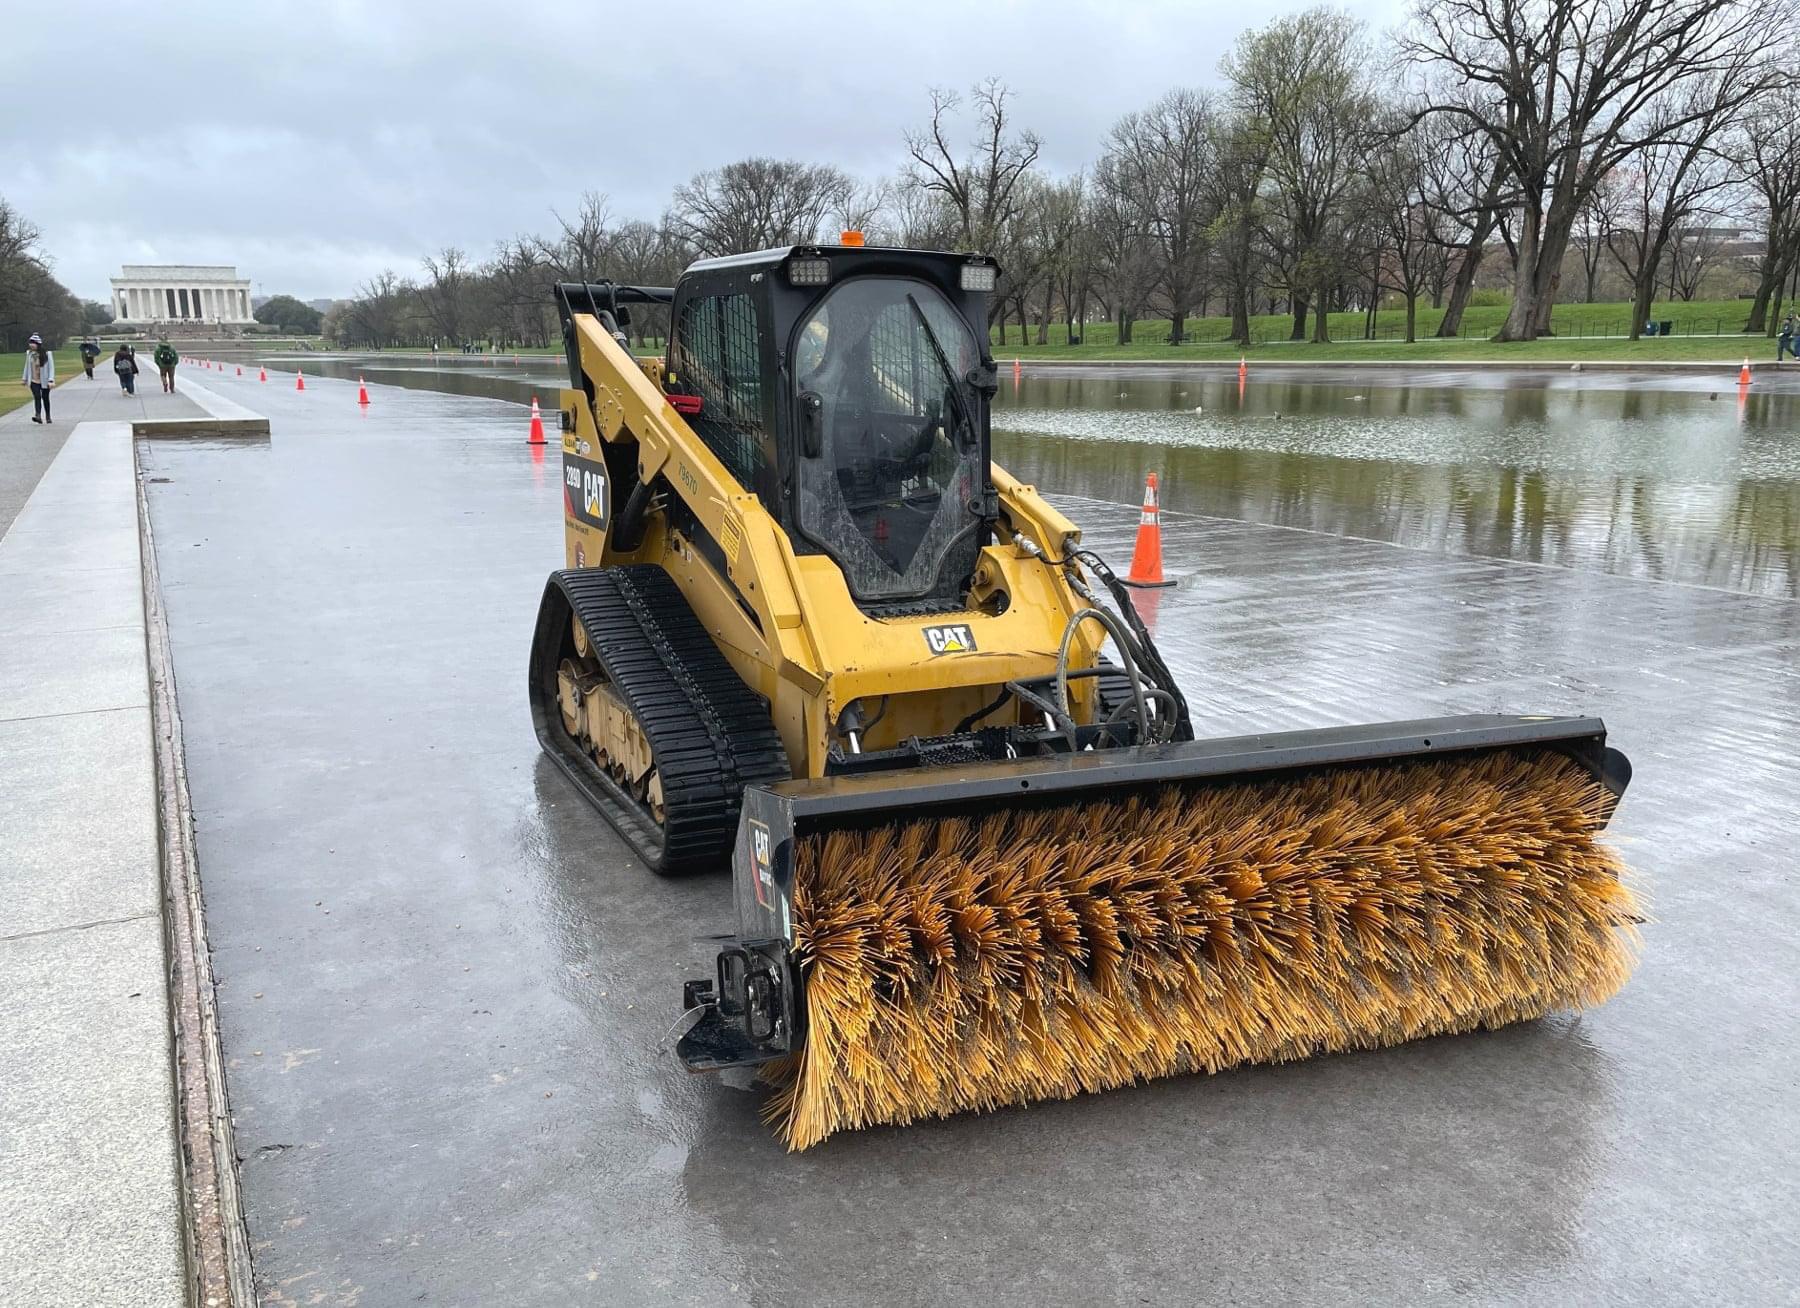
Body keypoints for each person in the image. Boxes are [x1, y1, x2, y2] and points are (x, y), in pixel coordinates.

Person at [20, 333, 54, 423]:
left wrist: (51, 380)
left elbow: (51, 368)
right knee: (37, 396)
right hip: (34, 380)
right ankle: (38, 415)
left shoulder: (47, 354)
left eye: (33, 342)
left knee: (45, 397)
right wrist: (24, 378)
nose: (31, 344)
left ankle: (48, 416)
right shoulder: (29, 354)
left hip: (45, 380)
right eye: (30, 342)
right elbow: (26, 366)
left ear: (38, 344)